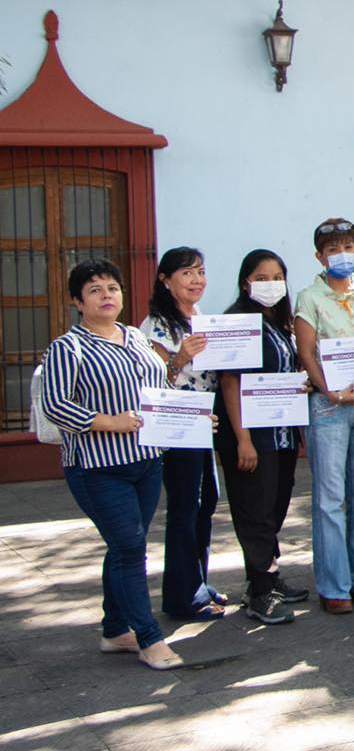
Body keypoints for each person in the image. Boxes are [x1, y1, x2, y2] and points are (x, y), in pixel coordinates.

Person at [41, 259, 184, 669]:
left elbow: (160, 389)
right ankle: (149, 638)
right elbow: (55, 405)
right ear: (77, 302)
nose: (106, 296)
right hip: (97, 467)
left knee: (125, 545)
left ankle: (114, 629)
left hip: (146, 460)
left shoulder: (136, 338)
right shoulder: (68, 347)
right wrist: (109, 422)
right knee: (130, 548)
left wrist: (189, 418)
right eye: (94, 290)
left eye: (112, 288)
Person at [294, 218, 354, 614]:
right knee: (331, 498)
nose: (342, 254)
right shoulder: (309, 297)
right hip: (330, 406)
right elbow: (306, 351)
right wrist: (328, 389)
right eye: (333, 248)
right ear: (319, 255)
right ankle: (335, 585)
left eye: (348, 246)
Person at [215, 249, 310, 623]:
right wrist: (242, 438)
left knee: (274, 507)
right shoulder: (237, 320)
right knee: (254, 510)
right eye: (262, 277)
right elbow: (230, 380)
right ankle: (258, 592)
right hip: (253, 437)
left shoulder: (281, 322)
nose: (271, 284)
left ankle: (269, 575)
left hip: (282, 434)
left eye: (277, 277)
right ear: (245, 282)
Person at [141, 247, 225, 620]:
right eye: (187, 273)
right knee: (184, 507)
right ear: (165, 280)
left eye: (201, 272)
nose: (197, 280)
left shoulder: (200, 317)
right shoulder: (155, 326)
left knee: (206, 502)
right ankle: (179, 596)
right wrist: (179, 357)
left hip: (204, 425)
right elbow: (152, 383)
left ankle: (199, 581)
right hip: (176, 428)